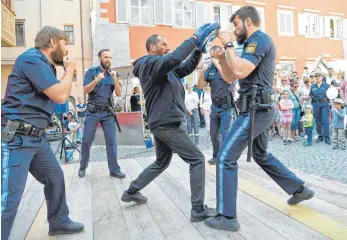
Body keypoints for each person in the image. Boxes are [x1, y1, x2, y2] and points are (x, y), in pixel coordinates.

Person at [203, 6, 314, 231]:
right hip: (256, 108)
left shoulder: (259, 40)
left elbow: (242, 71)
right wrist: (223, 57)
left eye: (235, 24)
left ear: (247, 21)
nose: (233, 30)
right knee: (261, 154)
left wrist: (228, 44)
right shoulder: (249, 45)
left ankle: (226, 217)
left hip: (255, 109)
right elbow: (230, 75)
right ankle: (300, 189)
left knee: (224, 157)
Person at [120, 24, 217, 222]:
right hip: (166, 122)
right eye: (163, 44)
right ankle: (197, 209)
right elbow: (174, 58)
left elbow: (184, 67)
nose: (167, 46)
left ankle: (131, 191)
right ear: (152, 47)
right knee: (197, 159)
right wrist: (194, 38)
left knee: (161, 161)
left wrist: (198, 51)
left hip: (163, 121)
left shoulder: (164, 69)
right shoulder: (149, 63)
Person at [1, 26, 84, 240]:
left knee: (55, 176)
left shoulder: (45, 66)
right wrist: (70, 70)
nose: (67, 50)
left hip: (36, 138)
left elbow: (58, 100)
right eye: (65, 43)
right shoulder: (31, 59)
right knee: (9, 199)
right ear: (53, 41)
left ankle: (59, 222)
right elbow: (60, 96)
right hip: (17, 138)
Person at [78, 49, 126, 178]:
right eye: (106, 57)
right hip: (93, 112)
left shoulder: (114, 74)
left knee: (111, 141)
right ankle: (83, 166)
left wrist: (115, 79)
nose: (108, 60)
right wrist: (96, 80)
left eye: (110, 57)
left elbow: (119, 93)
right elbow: (85, 89)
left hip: (107, 112)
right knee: (87, 140)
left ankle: (114, 169)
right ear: (100, 58)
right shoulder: (91, 72)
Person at [197, 47, 234, 164]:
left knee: (225, 133)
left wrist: (218, 65)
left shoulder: (227, 66)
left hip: (226, 106)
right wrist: (202, 71)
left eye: (214, 56)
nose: (212, 58)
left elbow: (229, 80)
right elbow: (200, 86)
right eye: (211, 56)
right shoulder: (210, 68)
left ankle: (226, 157)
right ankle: (216, 156)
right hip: (215, 107)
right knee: (213, 134)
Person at [309, 71, 331, 145]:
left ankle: (327, 137)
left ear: (322, 77)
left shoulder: (327, 86)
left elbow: (331, 95)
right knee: (317, 121)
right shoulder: (313, 86)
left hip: (324, 104)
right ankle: (320, 136)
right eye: (316, 76)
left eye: (319, 76)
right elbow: (311, 95)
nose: (317, 78)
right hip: (316, 104)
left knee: (325, 120)